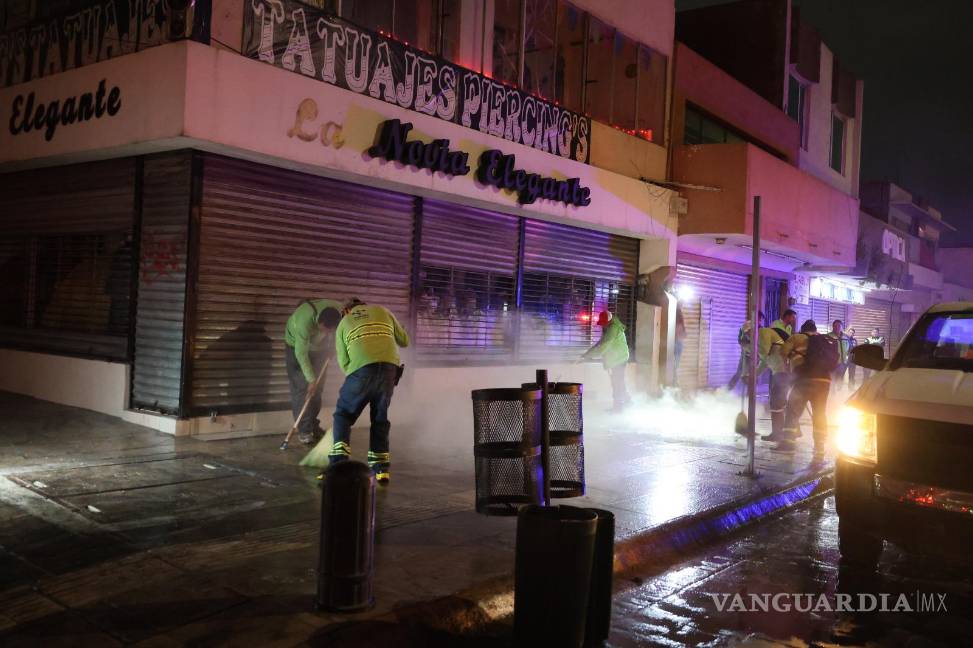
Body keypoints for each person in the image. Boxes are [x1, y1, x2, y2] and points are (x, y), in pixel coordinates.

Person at [330, 298, 410, 483]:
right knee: (379, 419)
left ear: (347, 310)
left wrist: (357, 379)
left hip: (361, 372)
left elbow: (344, 362)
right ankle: (381, 469)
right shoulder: (383, 311)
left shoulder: (344, 322)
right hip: (389, 371)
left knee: (343, 415)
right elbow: (405, 341)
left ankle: (338, 463)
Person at [285, 298, 343, 445]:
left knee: (317, 390)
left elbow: (341, 333)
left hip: (319, 349)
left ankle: (313, 426)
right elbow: (301, 354)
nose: (327, 333)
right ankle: (304, 430)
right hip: (296, 348)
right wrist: (311, 379)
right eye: (325, 330)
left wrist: (334, 347)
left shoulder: (340, 311)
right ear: (319, 322)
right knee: (303, 388)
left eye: (331, 331)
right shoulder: (303, 322)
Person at [778, 319, 840, 454]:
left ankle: (788, 443)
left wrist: (789, 368)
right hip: (824, 380)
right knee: (819, 412)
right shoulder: (825, 340)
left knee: (792, 410)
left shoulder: (796, 337)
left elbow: (783, 352)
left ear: (802, 329)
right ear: (815, 330)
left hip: (804, 379)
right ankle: (819, 445)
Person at [757, 309, 798, 442]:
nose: (794, 320)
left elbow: (764, 353)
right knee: (782, 402)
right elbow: (766, 357)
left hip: (782, 371)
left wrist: (754, 355)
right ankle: (794, 430)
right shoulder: (775, 326)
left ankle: (778, 434)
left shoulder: (764, 333)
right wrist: (755, 373)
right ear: (787, 316)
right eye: (792, 317)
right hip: (785, 370)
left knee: (777, 403)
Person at [581, 310, 631, 411]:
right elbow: (601, 343)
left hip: (619, 358)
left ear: (608, 321)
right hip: (617, 357)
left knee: (617, 382)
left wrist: (588, 355)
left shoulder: (613, 329)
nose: (602, 325)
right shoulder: (609, 327)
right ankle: (627, 401)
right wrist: (588, 353)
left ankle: (618, 408)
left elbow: (602, 347)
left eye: (604, 323)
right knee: (619, 381)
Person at [727, 313, 763, 392]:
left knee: (752, 375)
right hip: (746, 354)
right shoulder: (747, 325)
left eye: (760, 320)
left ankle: (748, 394)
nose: (760, 321)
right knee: (740, 373)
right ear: (755, 317)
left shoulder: (759, 327)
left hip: (755, 354)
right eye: (759, 319)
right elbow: (741, 340)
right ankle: (727, 390)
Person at [828, 319, 851, 388]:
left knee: (840, 381)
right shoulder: (828, 336)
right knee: (831, 382)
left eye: (839, 326)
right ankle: (832, 394)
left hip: (842, 364)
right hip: (832, 364)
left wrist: (847, 358)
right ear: (833, 327)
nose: (837, 327)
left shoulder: (846, 337)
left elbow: (849, 348)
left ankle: (839, 392)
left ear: (842, 327)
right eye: (835, 326)